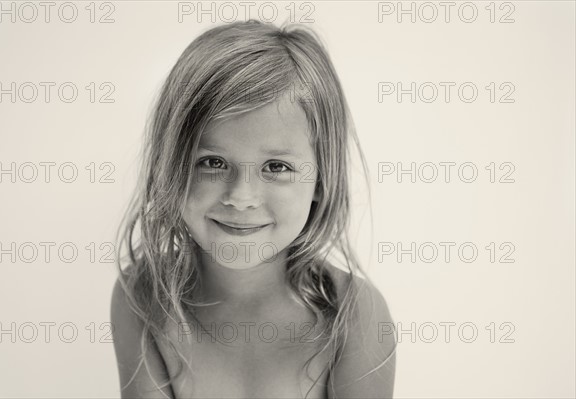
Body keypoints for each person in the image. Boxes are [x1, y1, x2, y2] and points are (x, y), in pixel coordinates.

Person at [110, 19, 397, 399]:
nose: (241, 196)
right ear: (170, 168)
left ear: (321, 180)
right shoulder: (144, 297)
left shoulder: (354, 314)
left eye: (276, 167)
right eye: (212, 162)